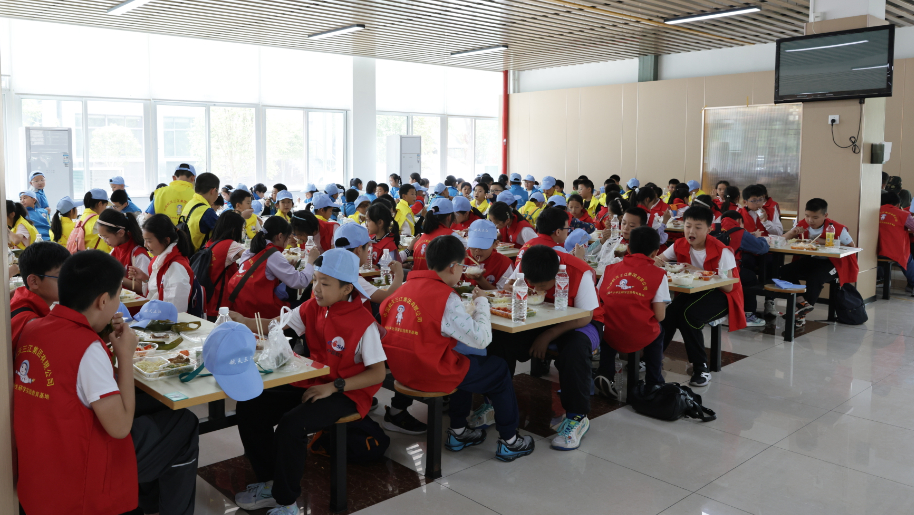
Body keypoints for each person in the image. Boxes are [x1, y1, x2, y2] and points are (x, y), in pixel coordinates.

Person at [15, 250, 199, 515]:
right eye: (117, 297)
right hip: (79, 478)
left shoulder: (33, 327)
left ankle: (147, 502)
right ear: (103, 300)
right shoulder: (86, 347)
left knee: (159, 409)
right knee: (184, 424)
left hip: (40, 467)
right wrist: (125, 356)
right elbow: (120, 427)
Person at [229, 250, 385, 514]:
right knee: (251, 405)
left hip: (347, 392)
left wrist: (333, 387)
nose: (317, 289)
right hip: (313, 381)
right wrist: (243, 322)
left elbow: (378, 374)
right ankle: (270, 482)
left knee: (292, 425)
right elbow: (277, 325)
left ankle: (287, 502)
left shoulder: (363, 324)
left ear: (347, 288)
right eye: (315, 281)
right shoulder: (313, 307)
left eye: (325, 283)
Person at [380, 235, 536, 460]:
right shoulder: (445, 297)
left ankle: (459, 432)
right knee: (499, 369)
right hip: (428, 372)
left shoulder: (401, 289)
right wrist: (481, 302)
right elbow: (482, 339)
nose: (463, 271)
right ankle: (510, 441)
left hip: (399, 369)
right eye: (462, 266)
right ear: (453, 266)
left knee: (462, 357)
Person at [488, 244, 601, 450]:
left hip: (581, 323)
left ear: (557, 275)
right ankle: (494, 403)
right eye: (532, 284)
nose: (538, 289)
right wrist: (512, 288)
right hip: (542, 318)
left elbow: (586, 316)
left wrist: (547, 336)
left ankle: (577, 417)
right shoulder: (527, 264)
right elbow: (509, 285)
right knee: (501, 340)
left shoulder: (579, 272)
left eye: (542, 286)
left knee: (574, 350)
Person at [655, 206, 746, 387]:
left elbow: (728, 285)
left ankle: (701, 367)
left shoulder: (722, 251)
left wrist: (700, 272)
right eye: (688, 226)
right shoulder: (680, 244)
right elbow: (659, 260)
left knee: (689, 316)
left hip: (723, 295)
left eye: (698, 227)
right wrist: (654, 261)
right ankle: (653, 358)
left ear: (709, 229)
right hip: (695, 292)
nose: (691, 231)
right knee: (669, 314)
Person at [593, 226, 668, 398]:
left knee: (609, 321)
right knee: (659, 331)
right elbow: (660, 315)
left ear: (628, 248)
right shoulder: (659, 274)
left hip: (609, 333)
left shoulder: (610, 269)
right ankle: (654, 382)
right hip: (638, 334)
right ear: (655, 252)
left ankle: (605, 372)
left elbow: (598, 299)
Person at [777, 198, 859, 328]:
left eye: (815, 217)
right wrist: (792, 232)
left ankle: (801, 314)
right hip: (813, 260)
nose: (810, 220)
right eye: (807, 216)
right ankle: (802, 303)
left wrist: (825, 242)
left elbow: (852, 247)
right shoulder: (802, 225)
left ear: (825, 215)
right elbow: (780, 240)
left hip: (834, 263)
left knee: (815, 278)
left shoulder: (837, 228)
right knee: (784, 270)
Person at [228, 216, 317, 319]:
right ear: (280, 236)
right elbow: (301, 281)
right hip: (256, 308)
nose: (288, 242)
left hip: (237, 303)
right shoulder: (272, 254)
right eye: (288, 238)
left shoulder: (251, 250)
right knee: (309, 307)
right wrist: (311, 260)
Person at [125, 214, 195, 312]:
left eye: (149, 241)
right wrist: (145, 278)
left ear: (166, 240)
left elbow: (176, 310)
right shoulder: (160, 258)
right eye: (144, 240)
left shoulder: (176, 267)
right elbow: (156, 291)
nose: (145, 245)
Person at [10, 241, 70, 348]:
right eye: (62, 276)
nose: (69, 282)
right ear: (34, 282)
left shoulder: (20, 297)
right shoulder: (32, 325)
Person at [719, 210, 769, 327]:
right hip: (729, 272)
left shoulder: (714, 227)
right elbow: (762, 248)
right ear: (740, 221)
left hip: (710, 270)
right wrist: (759, 237)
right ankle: (748, 314)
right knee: (750, 277)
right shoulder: (739, 232)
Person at [335, 223, 404, 304]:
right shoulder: (352, 278)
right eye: (368, 247)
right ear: (359, 250)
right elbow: (387, 297)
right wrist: (399, 274)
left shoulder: (335, 268)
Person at [201, 211, 248, 318]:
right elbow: (252, 258)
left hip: (207, 298)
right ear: (234, 230)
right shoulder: (231, 245)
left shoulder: (210, 242)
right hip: (220, 301)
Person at [97, 208, 150, 295]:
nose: (104, 241)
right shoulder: (116, 248)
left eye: (106, 237)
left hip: (136, 302)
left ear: (121, 233)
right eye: (101, 236)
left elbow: (143, 288)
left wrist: (117, 277)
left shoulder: (138, 254)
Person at [878, 191, 914, 290]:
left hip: (877, 249)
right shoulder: (903, 214)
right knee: (908, 259)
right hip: (895, 250)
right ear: (898, 204)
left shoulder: (874, 212)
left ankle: (882, 278)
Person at [463, 220, 514, 290]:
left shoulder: (504, 264)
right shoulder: (462, 258)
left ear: (495, 244)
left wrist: (480, 279)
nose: (477, 250)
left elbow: (502, 294)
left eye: (482, 245)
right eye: (474, 245)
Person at [413, 197, 458, 271]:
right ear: (449, 217)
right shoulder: (452, 236)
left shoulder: (422, 236)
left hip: (415, 277)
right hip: (435, 278)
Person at [180, 172, 220, 253]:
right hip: (199, 257)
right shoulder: (207, 212)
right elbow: (225, 232)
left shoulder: (190, 203)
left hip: (185, 253)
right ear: (213, 191)